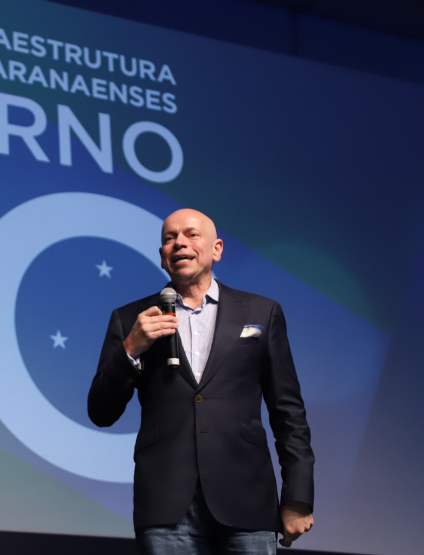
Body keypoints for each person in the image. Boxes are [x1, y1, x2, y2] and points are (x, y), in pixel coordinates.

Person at [88, 208, 314, 554]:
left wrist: (298, 496)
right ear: (162, 257)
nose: (179, 243)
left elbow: (289, 413)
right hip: (166, 505)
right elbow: (101, 412)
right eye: (169, 238)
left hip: (247, 500)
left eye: (191, 235)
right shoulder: (130, 319)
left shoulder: (261, 313)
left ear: (216, 249)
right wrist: (131, 349)